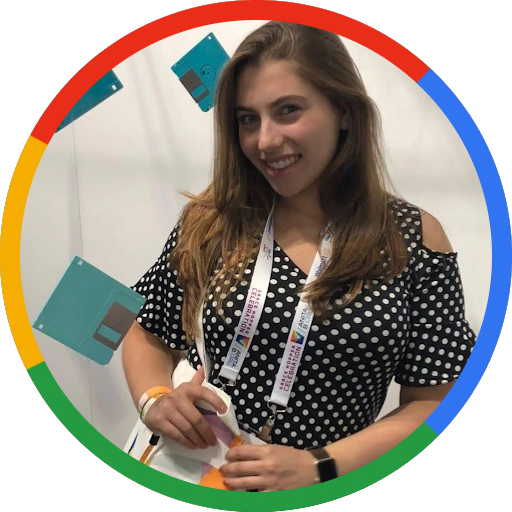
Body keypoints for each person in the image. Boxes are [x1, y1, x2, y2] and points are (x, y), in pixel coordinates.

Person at [121, 21, 476, 491]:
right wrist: (154, 399)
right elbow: (144, 329)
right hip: (194, 475)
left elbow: (436, 400)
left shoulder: (411, 239)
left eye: (288, 110)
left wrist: (319, 466)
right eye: (248, 119)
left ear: (344, 111)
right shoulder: (213, 221)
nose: (265, 141)